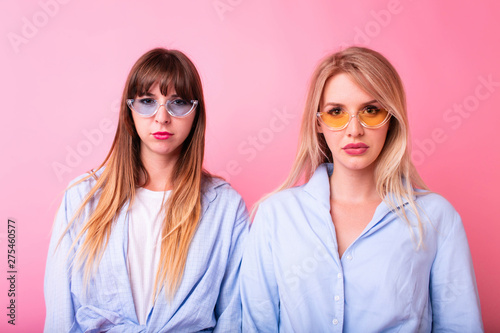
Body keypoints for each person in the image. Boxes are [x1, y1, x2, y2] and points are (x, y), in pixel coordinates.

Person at [240, 46, 483, 332]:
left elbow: (459, 326)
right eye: (336, 112)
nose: (354, 129)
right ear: (318, 123)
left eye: (370, 110)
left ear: (391, 118)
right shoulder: (275, 216)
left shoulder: (437, 218)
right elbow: (257, 325)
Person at [44, 48, 248, 332]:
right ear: (129, 110)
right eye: (147, 101)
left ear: (195, 112)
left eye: (177, 102)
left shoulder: (225, 207)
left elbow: (232, 316)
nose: (162, 117)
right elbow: (59, 314)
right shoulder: (82, 198)